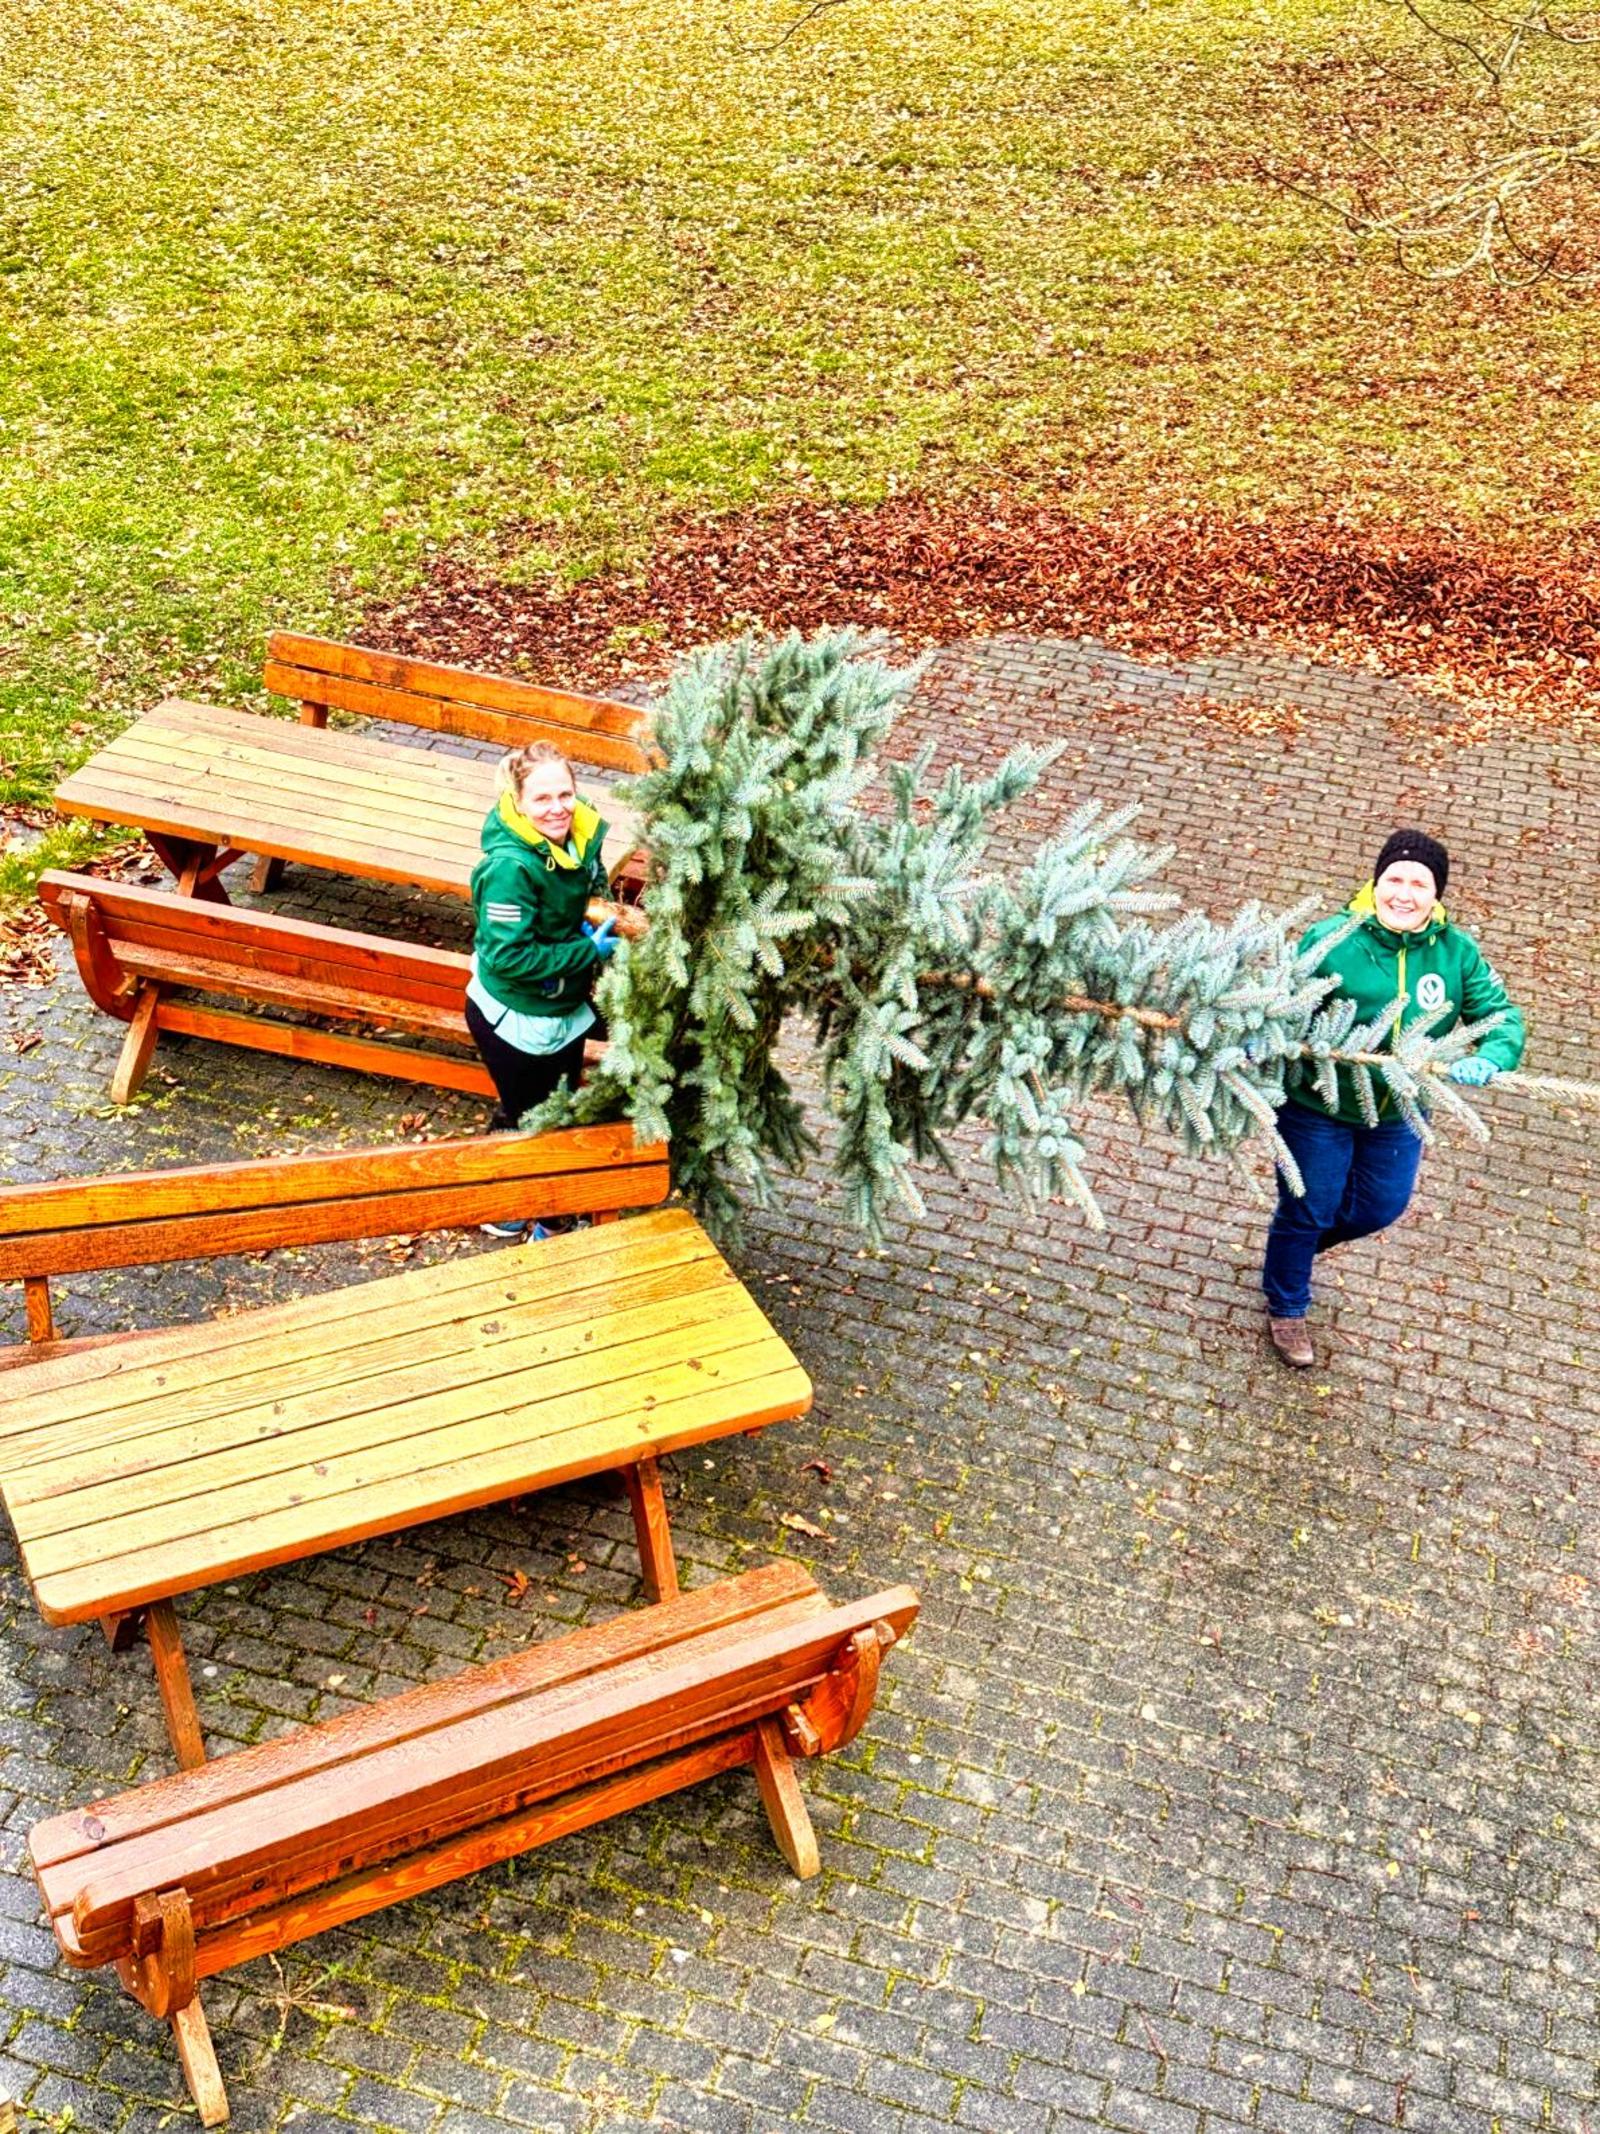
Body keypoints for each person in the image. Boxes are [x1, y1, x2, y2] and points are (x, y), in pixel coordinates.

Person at [1263, 829, 1526, 1367]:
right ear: (1375, 883)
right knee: (1310, 1206)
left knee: (1382, 1205)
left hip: (1400, 1108)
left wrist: (1494, 1055)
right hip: (1319, 1106)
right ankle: (1287, 1306)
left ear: (1437, 895)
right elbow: (1278, 1000)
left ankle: (1290, 1252)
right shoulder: (1336, 937)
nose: (1403, 894)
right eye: (1394, 880)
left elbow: (1502, 1017)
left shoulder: (1456, 952)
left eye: (1419, 884)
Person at [465, 742, 619, 1237]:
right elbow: (507, 956)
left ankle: (501, 1199)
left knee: (545, 1104)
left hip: (562, 1006)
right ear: (518, 801)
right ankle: (549, 1222)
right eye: (541, 799)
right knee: (543, 1122)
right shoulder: (510, 868)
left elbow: (593, 886)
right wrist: (585, 953)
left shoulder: (579, 829)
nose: (557, 808)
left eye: (565, 794)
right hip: (517, 1017)